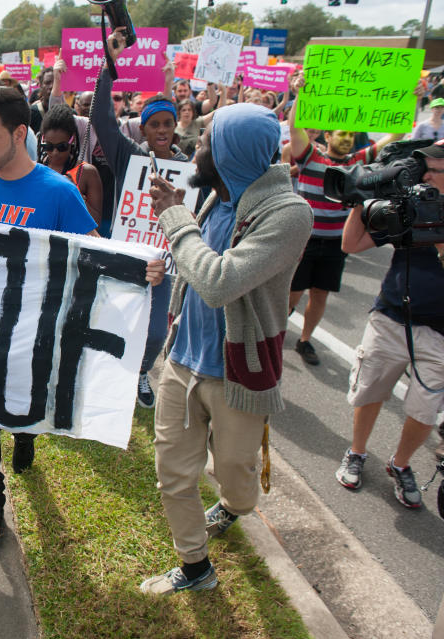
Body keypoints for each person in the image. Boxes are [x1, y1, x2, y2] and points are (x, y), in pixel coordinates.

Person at [0, 86, 162, 555]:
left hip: (36, 333)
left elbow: (96, 251)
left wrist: (144, 267)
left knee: (23, 408)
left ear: (20, 134)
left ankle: (25, 437)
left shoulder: (58, 192)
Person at [144, 102, 312, 595]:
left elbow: (219, 282)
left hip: (238, 372)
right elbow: (197, 264)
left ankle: (235, 507)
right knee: (172, 473)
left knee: (236, 476)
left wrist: (175, 221)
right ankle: (195, 568)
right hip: (182, 360)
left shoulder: (289, 214)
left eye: (204, 141)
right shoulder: (214, 196)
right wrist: (168, 261)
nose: (194, 147)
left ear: (230, 152)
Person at [334, 138, 444, 508]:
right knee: (370, 389)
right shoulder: (407, 205)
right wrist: (361, 200)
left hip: (439, 333)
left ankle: (401, 463)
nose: (424, 175)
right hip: (391, 316)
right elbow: (352, 244)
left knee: (425, 409)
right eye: (422, 167)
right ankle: (357, 452)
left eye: (433, 169)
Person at [86, 44, 191, 410]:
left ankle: (141, 372)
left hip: (161, 265)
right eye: (153, 125)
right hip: (126, 257)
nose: (161, 130)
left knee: (157, 332)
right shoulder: (129, 155)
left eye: (167, 123)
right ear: (143, 129)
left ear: (175, 127)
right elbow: (101, 121)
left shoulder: (189, 168)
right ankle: (106, 371)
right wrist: (107, 65)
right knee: (111, 320)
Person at [287, 70, 404, 366]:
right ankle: (275, 333)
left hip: (335, 245)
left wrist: (410, 99)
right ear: (328, 135)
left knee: (320, 293)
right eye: (342, 133)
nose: (348, 139)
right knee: (292, 292)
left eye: (351, 135)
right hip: (303, 240)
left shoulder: (358, 163)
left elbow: (396, 136)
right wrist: (301, 93)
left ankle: (304, 340)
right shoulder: (310, 157)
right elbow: (294, 127)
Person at [38, 104, 102, 224]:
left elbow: (96, 223)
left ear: (72, 141)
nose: (55, 153)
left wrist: (73, 192)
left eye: (62, 147)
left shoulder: (87, 172)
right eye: (49, 147)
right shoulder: (36, 170)